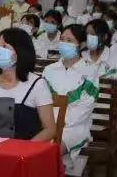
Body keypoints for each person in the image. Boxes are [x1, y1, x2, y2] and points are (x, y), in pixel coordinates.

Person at [0, 27, 55, 141]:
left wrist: (24, 149)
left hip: (27, 148)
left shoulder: (37, 84)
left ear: (20, 51)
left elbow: (49, 129)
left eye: (4, 47)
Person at [42, 24, 98, 167]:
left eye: (69, 40)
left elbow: (85, 107)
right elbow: (42, 101)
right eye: (62, 39)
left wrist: (59, 122)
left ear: (82, 45)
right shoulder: (49, 70)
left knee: (48, 151)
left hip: (75, 127)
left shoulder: (90, 71)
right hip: (48, 124)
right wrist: (49, 123)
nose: (64, 43)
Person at [82, 18, 117, 132]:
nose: (89, 37)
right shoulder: (81, 56)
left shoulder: (115, 58)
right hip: (80, 110)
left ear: (105, 37)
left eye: (93, 34)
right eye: (87, 34)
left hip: (103, 111)